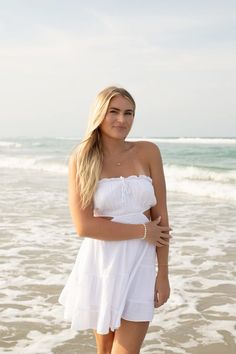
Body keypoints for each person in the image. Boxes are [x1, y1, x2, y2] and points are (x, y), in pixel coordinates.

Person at [58, 86, 172, 354]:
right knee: (105, 351)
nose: (122, 120)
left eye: (129, 113)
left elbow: (162, 219)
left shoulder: (148, 152)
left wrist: (163, 273)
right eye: (114, 112)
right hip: (103, 263)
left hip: (141, 263)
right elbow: (84, 226)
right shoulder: (83, 158)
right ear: (100, 114)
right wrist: (143, 230)